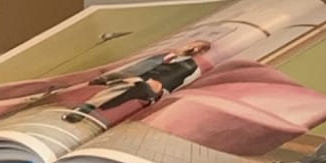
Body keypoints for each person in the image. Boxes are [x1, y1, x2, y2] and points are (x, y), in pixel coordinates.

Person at [61, 40, 213, 129]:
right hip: (131, 77)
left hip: (149, 87)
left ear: (200, 54)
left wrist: (155, 88)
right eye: (194, 45)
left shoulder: (189, 66)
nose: (194, 49)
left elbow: (171, 85)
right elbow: (135, 67)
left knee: (126, 86)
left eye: (199, 50)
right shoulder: (161, 55)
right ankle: (77, 98)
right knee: (110, 79)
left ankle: (82, 111)